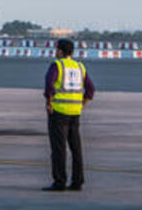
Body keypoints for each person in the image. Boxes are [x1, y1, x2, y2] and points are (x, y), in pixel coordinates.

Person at [42, 38, 94, 192]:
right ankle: (77, 181)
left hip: (59, 113)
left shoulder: (57, 65)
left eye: (56, 49)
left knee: (59, 148)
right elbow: (91, 89)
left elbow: (49, 85)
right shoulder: (80, 67)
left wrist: (49, 103)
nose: (55, 51)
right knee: (76, 148)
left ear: (60, 51)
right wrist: (81, 103)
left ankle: (60, 181)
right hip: (75, 113)